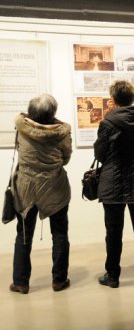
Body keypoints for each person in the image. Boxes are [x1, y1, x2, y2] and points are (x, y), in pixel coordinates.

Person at [94, 80, 134, 288]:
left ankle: (113, 275)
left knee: (113, 231)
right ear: (133, 97)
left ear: (113, 100)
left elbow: (100, 154)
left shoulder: (107, 122)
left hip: (114, 183)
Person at [9, 94, 72, 294]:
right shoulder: (61, 133)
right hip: (55, 187)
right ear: (53, 112)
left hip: (26, 188)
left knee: (24, 235)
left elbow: (19, 150)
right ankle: (59, 280)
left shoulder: (22, 129)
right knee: (60, 234)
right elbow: (66, 157)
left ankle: (20, 282)